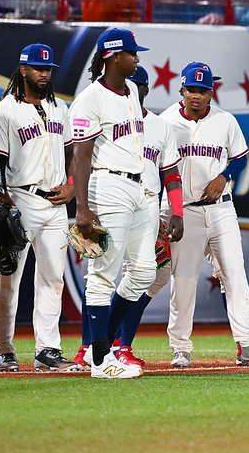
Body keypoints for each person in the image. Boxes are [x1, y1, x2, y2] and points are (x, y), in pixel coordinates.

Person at [70, 28, 183, 380]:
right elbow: (81, 156)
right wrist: (83, 208)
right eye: (133, 54)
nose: (138, 59)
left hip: (139, 188)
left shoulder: (133, 90)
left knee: (144, 272)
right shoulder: (89, 99)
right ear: (114, 57)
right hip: (109, 184)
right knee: (103, 273)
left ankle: (96, 347)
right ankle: (102, 361)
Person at [159, 62, 249, 368]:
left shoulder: (225, 120)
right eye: (191, 90)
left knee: (235, 274)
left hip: (222, 209)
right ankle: (181, 349)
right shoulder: (166, 122)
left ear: (211, 92)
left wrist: (224, 176)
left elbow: (240, 157)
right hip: (184, 212)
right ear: (181, 90)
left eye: (203, 90)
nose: (196, 96)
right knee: (183, 281)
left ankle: (247, 346)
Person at [0, 44, 79, 372]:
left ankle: (48, 349)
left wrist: (71, 184)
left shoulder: (60, 108)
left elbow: (71, 152)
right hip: (20, 199)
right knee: (9, 278)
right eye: (38, 68)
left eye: (48, 69)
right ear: (23, 70)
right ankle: (1, 347)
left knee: (54, 277)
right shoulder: (5, 111)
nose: (44, 73)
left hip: (55, 202)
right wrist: (1, 197)